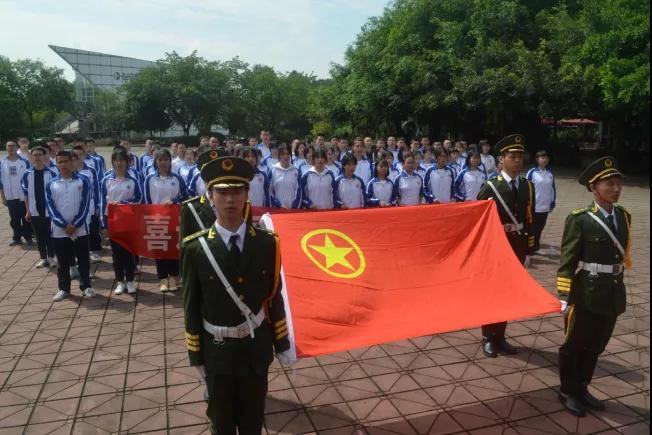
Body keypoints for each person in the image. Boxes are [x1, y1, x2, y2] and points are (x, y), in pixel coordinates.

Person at [181, 155, 291, 435]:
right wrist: (196, 355)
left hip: (255, 349)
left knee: (253, 421)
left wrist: (282, 342)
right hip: (217, 352)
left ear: (247, 195)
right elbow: (191, 306)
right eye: (222, 192)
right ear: (210, 196)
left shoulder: (267, 243)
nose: (230, 199)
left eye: (237, 191)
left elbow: (273, 296)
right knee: (222, 424)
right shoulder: (196, 249)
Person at [556, 156, 630, 417]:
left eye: (618, 183)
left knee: (597, 345)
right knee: (575, 344)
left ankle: (583, 387)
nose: (616, 188)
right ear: (593, 187)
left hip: (612, 293)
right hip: (586, 293)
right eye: (609, 184)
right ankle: (567, 391)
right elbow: (567, 262)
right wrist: (563, 295)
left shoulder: (624, 216)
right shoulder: (580, 219)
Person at [476, 134, 535, 357]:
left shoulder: (528, 186)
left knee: (509, 292)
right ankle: (487, 337)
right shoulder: (491, 186)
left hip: (517, 244)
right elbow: (479, 219)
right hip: (497, 246)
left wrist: (529, 249)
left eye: (520, 156)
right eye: (512, 156)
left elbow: (530, 220)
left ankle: (500, 336)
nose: (517, 160)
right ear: (502, 159)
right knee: (493, 292)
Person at [46, 150, 94, 302]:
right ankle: (64, 289)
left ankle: (86, 286)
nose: (63, 165)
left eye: (66, 161)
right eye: (60, 162)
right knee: (62, 262)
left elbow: (85, 204)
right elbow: (51, 208)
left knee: (83, 260)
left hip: (80, 229)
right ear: (57, 164)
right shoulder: (51, 184)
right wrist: (64, 224)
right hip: (59, 231)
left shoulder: (83, 181)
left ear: (72, 162)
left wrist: (75, 224)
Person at [143, 149, 188, 291]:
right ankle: (163, 279)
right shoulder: (149, 179)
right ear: (156, 162)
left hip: (174, 220)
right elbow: (146, 201)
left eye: (166, 160)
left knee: (173, 249)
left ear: (170, 161)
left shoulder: (177, 178)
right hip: (157, 221)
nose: (163, 163)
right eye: (160, 160)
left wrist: (174, 201)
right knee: (160, 249)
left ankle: (174, 277)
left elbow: (186, 195)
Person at [100, 149, 142, 295]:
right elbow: (102, 203)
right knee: (116, 254)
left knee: (129, 252)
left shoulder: (133, 180)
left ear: (127, 162)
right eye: (116, 160)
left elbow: (139, 199)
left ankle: (130, 281)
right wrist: (104, 223)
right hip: (113, 222)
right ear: (112, 162)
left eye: (122, 160)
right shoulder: (106, 180)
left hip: (128, 222)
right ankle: (120, 282)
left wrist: (123, 204)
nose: (119, 163)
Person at [21, 146, 57, 267]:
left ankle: (51, 257)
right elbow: (25, 194)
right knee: (39, 235)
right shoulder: (27, 174)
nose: (37, 157)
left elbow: (56, 193)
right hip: (34, 210)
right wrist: (27, 211)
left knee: (49, 234)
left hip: (49, 210)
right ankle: (43, 258)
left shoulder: (52, 173)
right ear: (31, 157)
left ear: (44, 156)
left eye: (39, 155)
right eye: (35, 155)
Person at [72, 146, 102, 263]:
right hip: (75, 205)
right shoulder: (69, 172)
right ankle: (76, 254)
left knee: (90, 229)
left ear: (85, 155)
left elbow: (96, 188)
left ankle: (90, 251)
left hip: (90, 204)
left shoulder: (90, 170)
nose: (78, 157)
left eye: (81, 154)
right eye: (76, 155)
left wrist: (97, 205)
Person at [1, 141, 33, 245]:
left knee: (26, 218)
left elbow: (29, 178)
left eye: (13, 146)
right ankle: (17, 237)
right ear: (6, 148)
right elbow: (1, 181)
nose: (11, 148)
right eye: (9, 146)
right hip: (10, 196)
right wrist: (3, 196)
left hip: (23, 196)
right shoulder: (2, 163)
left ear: (16, 148)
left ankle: (28, 237)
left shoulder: (24, 162)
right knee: (14, 219)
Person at [527, 150, 557, 254]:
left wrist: (552, 202)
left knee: (540, 228)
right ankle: (529, 248)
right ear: (537, 159)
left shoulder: (549, 173)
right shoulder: (532, 172)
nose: (545, 159)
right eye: (542, 157)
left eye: (546, 157)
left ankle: (536, 247)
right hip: (534, 206)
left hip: (545, 206)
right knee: (532, 228)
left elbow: (552, 189)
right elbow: (527, 188)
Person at [269, 145, 302, 209]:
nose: (286, 156)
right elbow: (269, 192)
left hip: (293, 210)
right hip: (277, 209)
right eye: (283, 154)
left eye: (288, 154)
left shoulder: (296, 171)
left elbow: (299, 192)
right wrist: (278, 205)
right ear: (279, 156)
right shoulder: (273, 170)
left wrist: (294, 206)